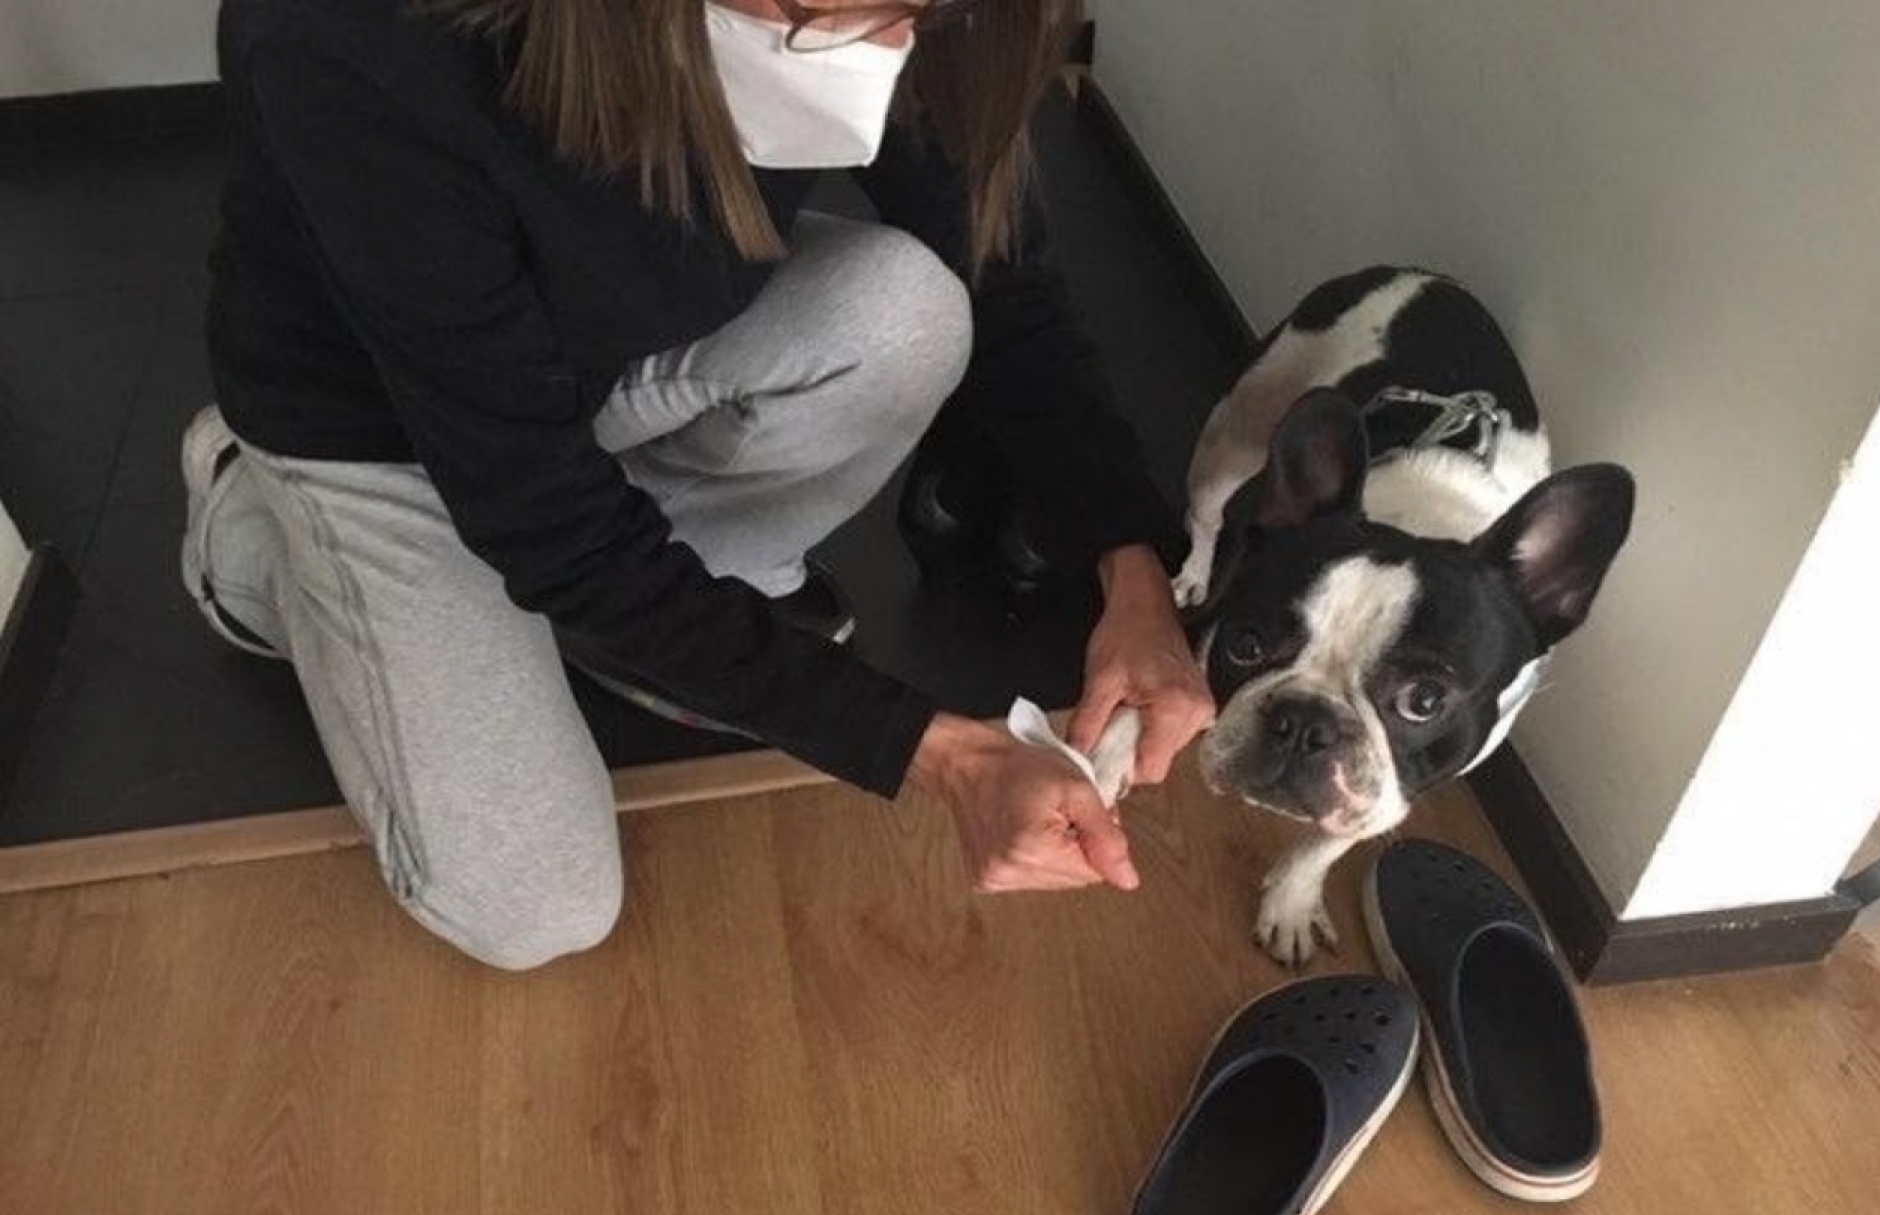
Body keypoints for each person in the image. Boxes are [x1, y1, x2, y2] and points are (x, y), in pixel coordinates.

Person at [182, 0, 1215, 971]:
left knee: (909, 311)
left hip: (591, 356)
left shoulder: (902, 14)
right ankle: (254, 524)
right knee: (537, 906)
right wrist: (947, 757)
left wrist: (1133, 575)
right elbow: (554, 530)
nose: (892, 50)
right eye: (820, 17)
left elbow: (999, 267)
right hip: (376, 421)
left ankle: (650, 620)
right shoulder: (358, 41)